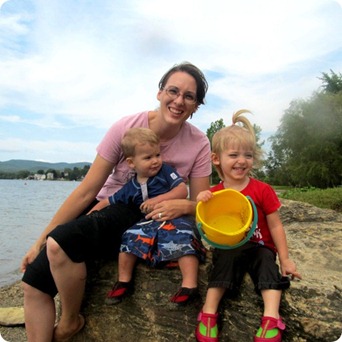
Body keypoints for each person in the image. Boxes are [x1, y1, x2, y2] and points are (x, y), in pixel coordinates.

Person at [21, 62, 212, 342]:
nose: (179, 101)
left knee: (61, 244)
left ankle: (69, 322)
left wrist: (183, 205)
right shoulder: (126, 127)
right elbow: (87, 191)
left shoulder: (199, 143)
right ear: (159, 93)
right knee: (33, 284)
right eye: (173, 91)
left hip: (137, 213)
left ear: (196, 106)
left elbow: (201, 201)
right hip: (105, 205)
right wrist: (41, 237)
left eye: (189, 96)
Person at [194, 110, 302, 342]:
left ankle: (271, 317)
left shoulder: (262, 190)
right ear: (216, 159)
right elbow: (205, 222)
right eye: (233, 155)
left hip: (260, 245)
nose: (242, 161)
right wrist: (200, 200)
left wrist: (285, 259)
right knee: (223, 260)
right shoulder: (214, 194)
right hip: (230, 246)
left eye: (248, 155)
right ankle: (209, 312)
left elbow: (275, 226)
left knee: (267, 264)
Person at [89, 127, 206, 305]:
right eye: (148, 157)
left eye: (157, 155)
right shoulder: (131, 186)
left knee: (183, 237)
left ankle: (189, 285)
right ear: (131, 163)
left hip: (175, 216)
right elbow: (108, 201)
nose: (155, 161)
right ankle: (123, 281)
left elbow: (182, 190)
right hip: (150, 222)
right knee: (129, 237)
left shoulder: (165, 172)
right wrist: (90, 215)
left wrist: (159, 199)